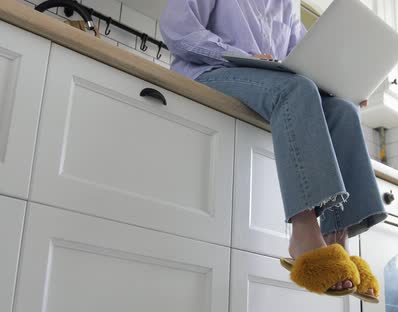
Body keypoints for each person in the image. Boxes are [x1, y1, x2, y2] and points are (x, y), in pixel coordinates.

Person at [160, 0, 386, 301]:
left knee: (344, 109)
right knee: (297, 89)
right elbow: (178, 31)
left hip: (272, 83)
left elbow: (308, 59)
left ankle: (336, 239)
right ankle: (303, 233)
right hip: (211, 71)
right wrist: (247, 57)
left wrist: (343, 82)